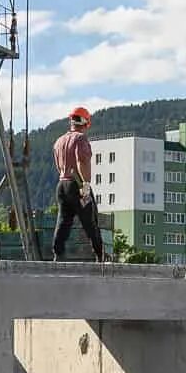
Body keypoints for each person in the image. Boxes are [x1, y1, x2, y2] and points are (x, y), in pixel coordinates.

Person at [51, 106, 107, 262]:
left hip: (62, 185)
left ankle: (58, 254)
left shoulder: (59, 141)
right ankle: (100, 255)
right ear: (86, 123)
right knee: (90, 221)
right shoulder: (80, 139)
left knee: (63, 220)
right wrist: (86, 185)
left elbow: (58, 165)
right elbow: (81, 161)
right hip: (77, 184)